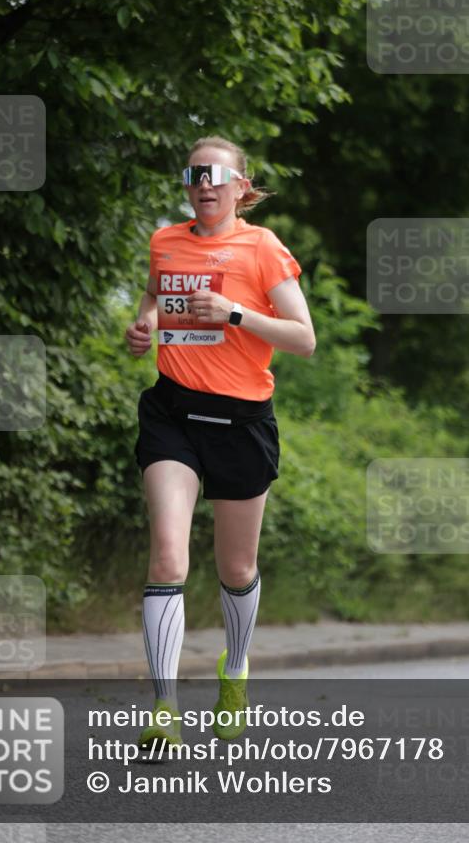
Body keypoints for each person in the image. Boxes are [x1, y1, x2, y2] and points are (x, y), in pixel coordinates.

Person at [125, 135, 315, 750]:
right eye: (194, 174)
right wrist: (147, 321)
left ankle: (235, 670)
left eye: (216, 175)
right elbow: (157, 294)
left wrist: (233, 313)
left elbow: (303, 338)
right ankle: (164, 709)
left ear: (241, 187)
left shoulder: (263, 249)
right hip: (173, 414)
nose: (204, 184)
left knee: (236, 569)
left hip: (241, 422)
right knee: (168, 559)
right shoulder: (165, 241)